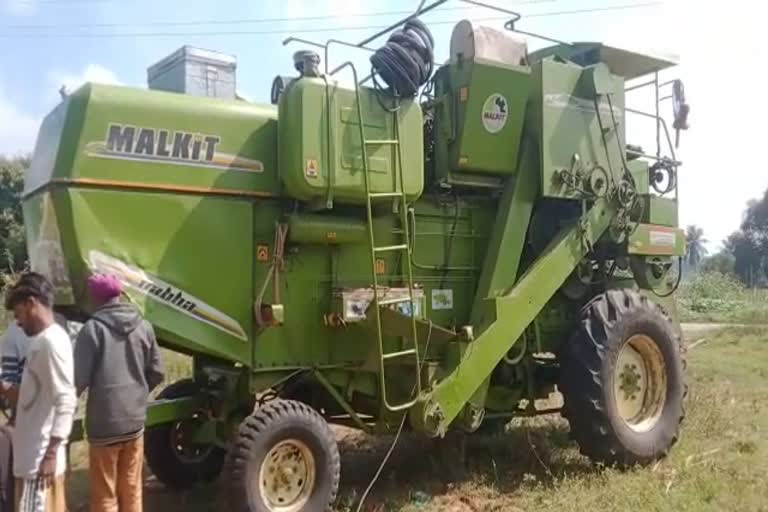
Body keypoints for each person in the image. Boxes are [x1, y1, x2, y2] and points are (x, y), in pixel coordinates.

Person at [75, 273, 164, 512]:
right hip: (134, 421)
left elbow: (77, 381)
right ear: (119, 294)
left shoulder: (92, 331)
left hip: (104, 426)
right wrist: (138, 392)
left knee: (105, 494)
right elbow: (157, 371)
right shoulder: (144, 326)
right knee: (132, 490)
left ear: (96, 298)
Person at [4, 272, 76, 512]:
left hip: (38, 465)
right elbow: (31, 397)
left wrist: (51, 454)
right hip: (30, 463)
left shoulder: (51, 342)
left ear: (31, 303)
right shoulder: (41, 342)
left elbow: (66, 398)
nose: (18, 322)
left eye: (19, 314)